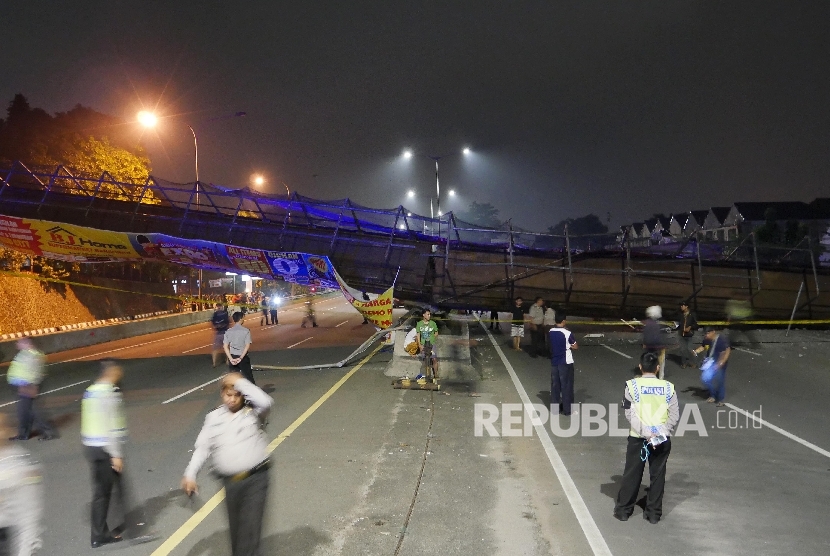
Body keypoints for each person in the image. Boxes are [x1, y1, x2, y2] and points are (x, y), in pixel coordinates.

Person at [181, 373, 273, 556]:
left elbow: (266, 401)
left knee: (251, 530)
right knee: (237, 533)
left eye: (236, 395)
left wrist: (238, 381)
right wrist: (190, 474)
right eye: (227, 395)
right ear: (222, 395)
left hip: (256, 479)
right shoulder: (214, 418)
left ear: (242, 395)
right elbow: (203, 448)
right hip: (231, 484)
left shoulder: (253, 412)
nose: (231, 400)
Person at [614, 351, 680, 524]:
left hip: (638, 438)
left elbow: (630, 414)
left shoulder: (632, 386)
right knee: (657, 476)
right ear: (658, 368)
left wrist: (646, 433)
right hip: (661, 439)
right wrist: (659, 434)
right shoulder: (668, 388)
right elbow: (674, 415)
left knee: (632, 474)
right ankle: (653, 514)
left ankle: (624, 511)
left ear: (641, 367)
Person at [81, 361, 130, 548]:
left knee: (103, 490)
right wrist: (116, 454)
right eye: (117, 372)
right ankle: (99, 535)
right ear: (110, 373)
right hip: (104, 449)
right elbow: (111, 426)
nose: (119, 375)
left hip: (91, 447)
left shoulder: (90, 391)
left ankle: (104, 529)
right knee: (103, 493)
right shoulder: (110, 392)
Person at [0, 412, 44, 555]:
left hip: (8, 538)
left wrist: (25, 550)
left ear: (9, 431)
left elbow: (29, 514)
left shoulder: (22, 465)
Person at [7, 338, 58, 441]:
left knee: (35, 411)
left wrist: (32, 386)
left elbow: (37, 372)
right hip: (21, 386)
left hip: (28, 386)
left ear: (27, 343)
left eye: (20, 342)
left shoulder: (34, 355)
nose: (17, 344)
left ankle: (48, 432)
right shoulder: (23, 353)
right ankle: (24, 434)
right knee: (24, 411)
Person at [549, 313, 578, 416]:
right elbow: (575, 346)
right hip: (565, 362)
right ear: (564, 321)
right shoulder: (567, 333)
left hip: (554, 362)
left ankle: (555, 409)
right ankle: (567, 410)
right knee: (567, 386)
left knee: (555, 386)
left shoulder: (551, 331)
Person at [693, 327, 731, 406]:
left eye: (708, 333)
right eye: (705, 334)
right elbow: (703, 346)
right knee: (705, 379)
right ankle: (713, 395)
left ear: (713, 332)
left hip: (719, 363)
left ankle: (720, 399)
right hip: (710, 363)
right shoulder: (707, 340)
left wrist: (720, 363)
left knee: (720, 381)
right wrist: (696, 351)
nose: (706, 335)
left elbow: (726, 352)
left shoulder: (721, 340)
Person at [224, 312, 254, 384]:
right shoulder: (246, 331)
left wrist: (230, 359)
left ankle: (236, 393)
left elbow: (225, 346)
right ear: (240, 319)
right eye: (243, 318)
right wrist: (240, 358)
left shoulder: (228, 331)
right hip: (242, 357)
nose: (243, 320)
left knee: (234, 379)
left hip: (233, 357)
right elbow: (247, 346)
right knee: (248, 377)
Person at [641, 305, 668, 379]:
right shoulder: (660, 323)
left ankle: (649, 375)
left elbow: (646, 334)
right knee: (661, 363)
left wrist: (644, 343)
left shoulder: (647, 323)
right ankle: (660, 377)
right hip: (659, 347)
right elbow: (663, 335)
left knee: (650, 361)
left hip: (649, 347)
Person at [415, 309, 439, 380]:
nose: (429, 316)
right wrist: (420, 345)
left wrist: (432, 338)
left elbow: (436, 332)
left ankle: (436, 375)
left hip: (431, 344)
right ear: (423, 315)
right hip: (423, 344)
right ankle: (427, 375)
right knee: (425, 360)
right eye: (428, 314)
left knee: (434, 359)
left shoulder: (433, 323)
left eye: (430, 314)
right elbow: (418, 335)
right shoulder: (419, 324)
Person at [677, 301, 698, 368]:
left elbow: (696, 324)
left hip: (689, 334)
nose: (681, 307)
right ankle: (684, 363)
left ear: (686, 306)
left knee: (690, 348)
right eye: (681, 306)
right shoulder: (680, 314)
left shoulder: (692, 314)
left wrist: (690, 327)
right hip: (682, 334)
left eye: (683, 305)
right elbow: (679, 323)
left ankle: (693, 362)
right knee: (682, 349)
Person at [211, 304, 231, 368]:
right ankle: (227, 360)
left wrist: (216, 326)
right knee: (226, 347)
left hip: (219, 333)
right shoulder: (225, 313)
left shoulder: (215, 314)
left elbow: (213, 323)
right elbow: (228, 322)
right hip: (225, 332)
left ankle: (214, 362)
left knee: (215, 349)